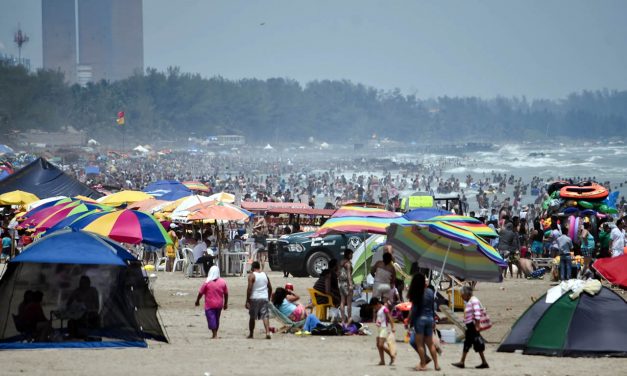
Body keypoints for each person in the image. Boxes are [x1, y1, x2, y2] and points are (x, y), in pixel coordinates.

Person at [407, 273, 440, 371]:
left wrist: (409, 321)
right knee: (430, 344)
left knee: (420, 344)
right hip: (430, 319)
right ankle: (436, 365)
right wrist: (434, 319)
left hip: (420, 320)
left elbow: (414, 310)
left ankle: (423, 364)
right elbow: (432, 307)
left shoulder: (416, 293)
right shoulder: (430, 291)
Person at [452, 285, 489, 369]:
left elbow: (477, 313)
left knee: (477, 343)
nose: (461, 296)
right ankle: (462, 362)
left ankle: (483, 362)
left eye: (462, 294)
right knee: (468, 343)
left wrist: (477, 325)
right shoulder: (470, 301)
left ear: (466, 294)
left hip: (473, 326)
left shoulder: (473, 300)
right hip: (470, 326)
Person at [195, 265, 228, 339]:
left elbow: (200, 293)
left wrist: (197, 301)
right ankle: (215, 333)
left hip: (209, 305)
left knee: (211, 319)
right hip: (219, 304)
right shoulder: (223, 282)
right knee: (217, 319)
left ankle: (215, 334)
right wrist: (225, 303)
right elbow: (226, 293)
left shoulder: (207, 283)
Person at [246, 261, 272, 339]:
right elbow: (270, 287)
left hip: (255, 298)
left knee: (252, 317)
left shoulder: (252, 276)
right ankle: (267, 332)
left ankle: (251, 334)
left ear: (252, 268)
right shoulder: (265, 275)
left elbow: (249, 289)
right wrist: (268, 297)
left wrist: (247, 300)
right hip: (264, 297)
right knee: (265, 316)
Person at [371, 297, 396, 366]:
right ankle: (382, 361)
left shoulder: (384, 308)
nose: (374, 308)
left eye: (374, 306)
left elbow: (390, 317)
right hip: (379, 328)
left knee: (381, 345)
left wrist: (393, 327)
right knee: (378, 345)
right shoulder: (379, 309)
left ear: (378, 304)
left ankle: (392, 355)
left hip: (384, 328)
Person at [338, 249, 354, 325]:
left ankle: (343, 319)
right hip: (346, 284)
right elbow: (349, 275)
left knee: (342, 301)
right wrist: (350, 285)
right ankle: (349, 318)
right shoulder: (348, 264)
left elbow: (338, 272)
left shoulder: (341, 262)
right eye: (351, 254)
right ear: (348, 254)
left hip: (340, 283)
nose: (352, 255)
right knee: (349, 302)